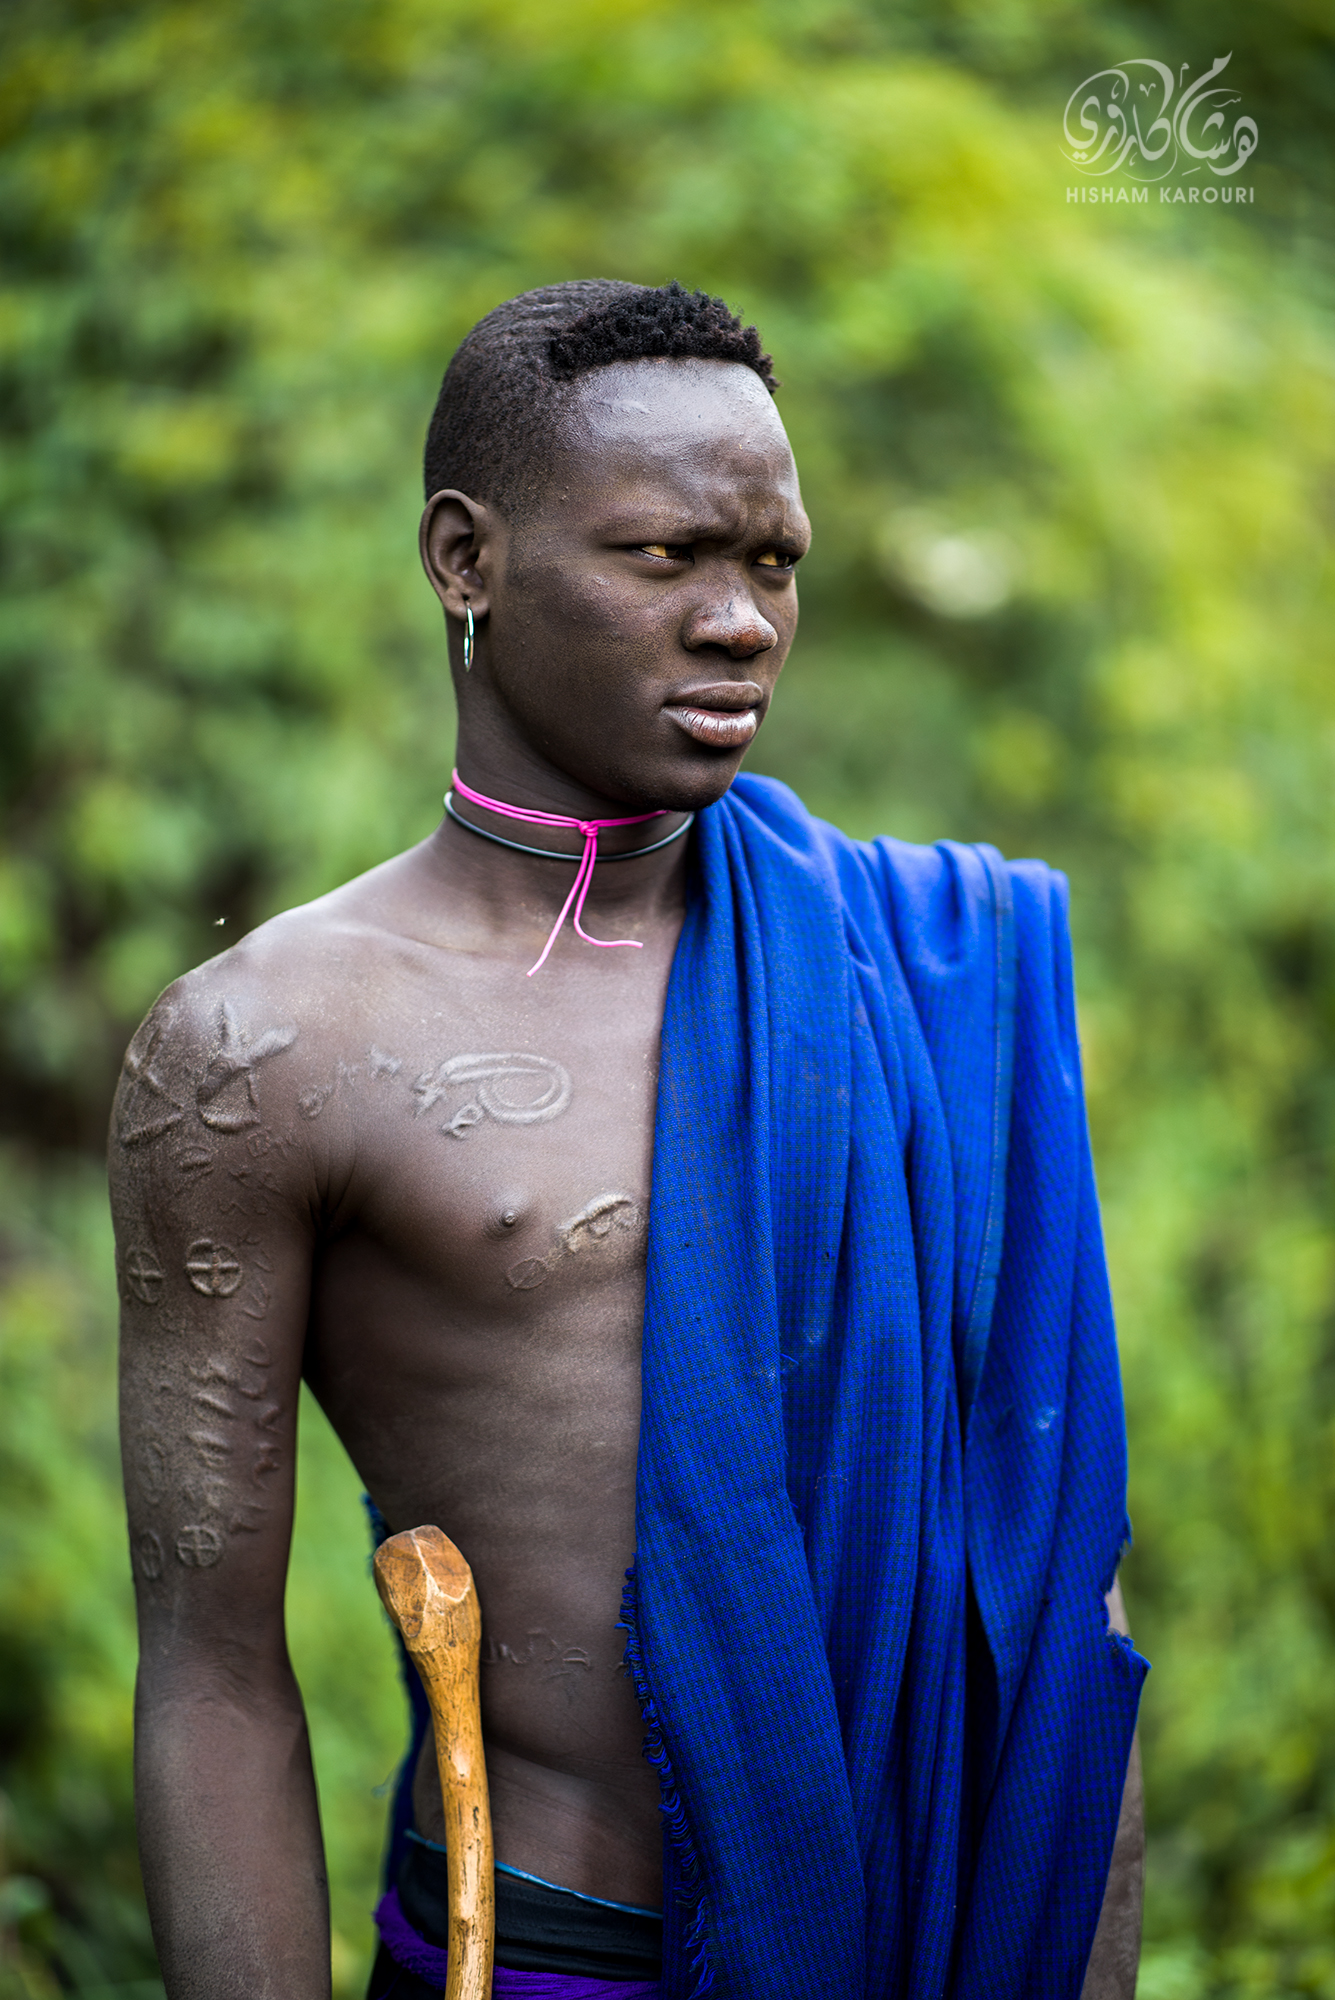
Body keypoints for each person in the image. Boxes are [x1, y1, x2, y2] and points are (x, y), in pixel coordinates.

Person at [110, 280, 1146, 2000]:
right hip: (539, 1958)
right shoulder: (269, 1050)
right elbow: (212, 1673)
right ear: (466, 558)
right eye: (665, 556)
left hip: (949, 1952)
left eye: (775, 563)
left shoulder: (923, 970)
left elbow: (1055, 1594)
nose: (739, 622)